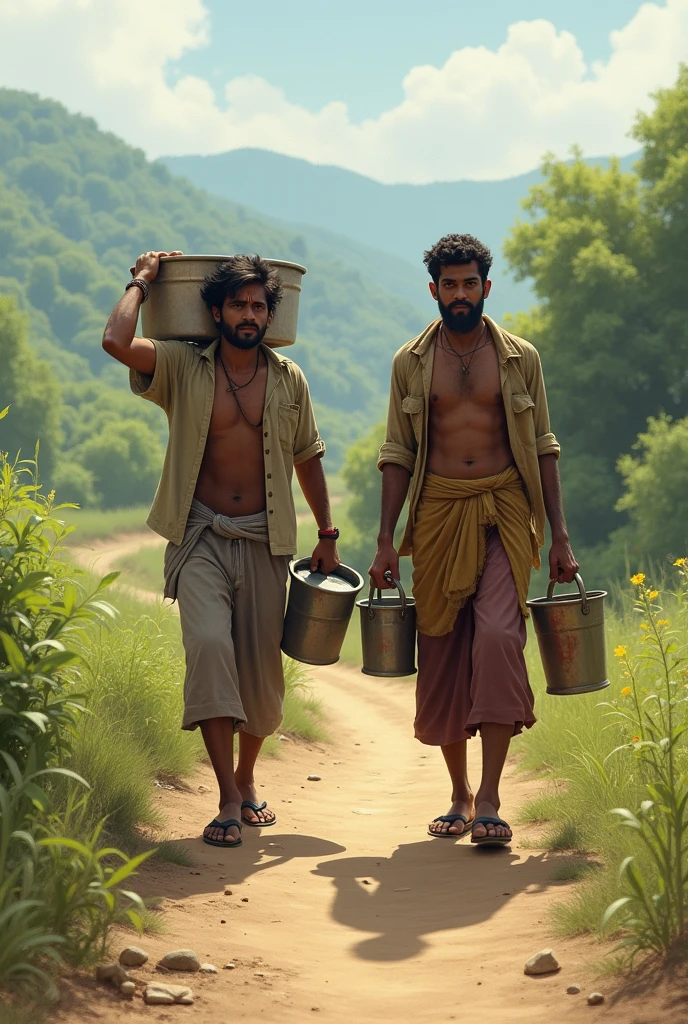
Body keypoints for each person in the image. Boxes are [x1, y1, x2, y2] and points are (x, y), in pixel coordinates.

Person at [102, 250, 339, 849]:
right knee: (209, 646)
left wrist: (327, 533)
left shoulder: (289, 379)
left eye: (260, 304)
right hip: (201, 534)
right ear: (215, 310)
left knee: (262, 683)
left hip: (265, 540)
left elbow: (307, 456)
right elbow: (114, 340)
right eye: (239, 303)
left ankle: (247, 774)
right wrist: (142, 282)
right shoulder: (183, 365)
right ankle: (228, 797)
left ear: (270, 314)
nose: (250, 313)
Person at [369, 234, 578, 847]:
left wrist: (560, 535)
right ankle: (459, 794)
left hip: (506, 509)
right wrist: (386, 539)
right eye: (449, 284)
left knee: (497, 636)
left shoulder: (521, 359)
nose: (460, 294)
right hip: (437, 512)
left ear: (487, 286)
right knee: (442, 650)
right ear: (433, 289)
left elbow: (542, 445)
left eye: (470, 283)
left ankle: (490, 796)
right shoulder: (410, 361)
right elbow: (397, 451)